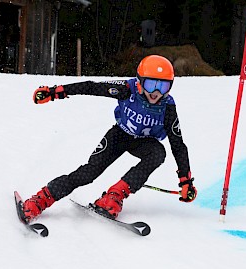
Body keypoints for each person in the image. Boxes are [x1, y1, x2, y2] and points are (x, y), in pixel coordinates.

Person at [21, 55, 197, 221]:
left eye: (163, 86)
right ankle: (41, 199)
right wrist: (56, 92)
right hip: (119, 135)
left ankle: (114, 196)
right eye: (151, 85)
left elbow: (178, 145)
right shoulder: (127, 89)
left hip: (143, 143)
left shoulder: (168, 107)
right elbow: (91, 87)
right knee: (88, 173)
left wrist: (186, 180)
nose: (156, 92)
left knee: (159, 152)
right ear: (140, 82)